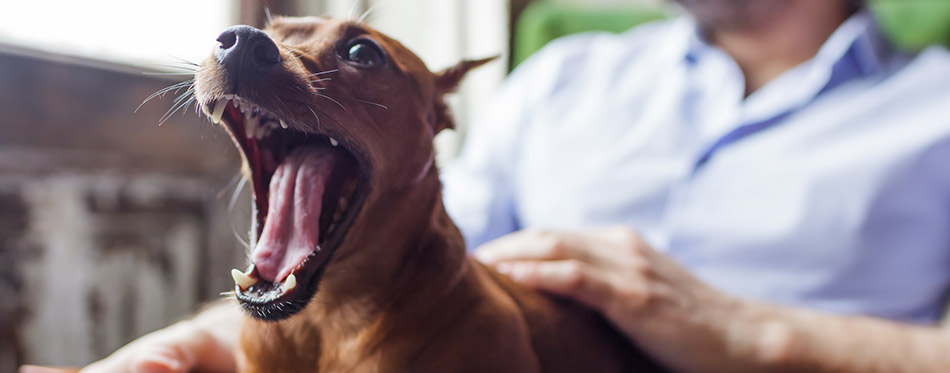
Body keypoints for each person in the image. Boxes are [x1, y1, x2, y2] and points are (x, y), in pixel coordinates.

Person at [55, 0, 950, 372]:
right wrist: (189, 345)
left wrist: (747, 329)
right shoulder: (564, 76)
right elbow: (390, 246)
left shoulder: (934, 104)